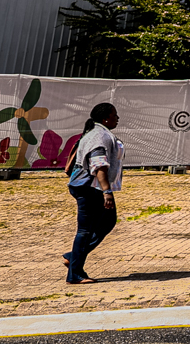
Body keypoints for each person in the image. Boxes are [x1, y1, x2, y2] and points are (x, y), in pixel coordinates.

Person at [64, 102, 123, 284]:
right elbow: (99, 166)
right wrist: (107, 192)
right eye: (115, 115)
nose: (117, 118)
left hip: (87, 185)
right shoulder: (100, 136)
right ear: (105, 118)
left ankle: (72, 256)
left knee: (108, 220)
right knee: (85, 230)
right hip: (90, 187)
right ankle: (75, 274)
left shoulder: (96, 132)